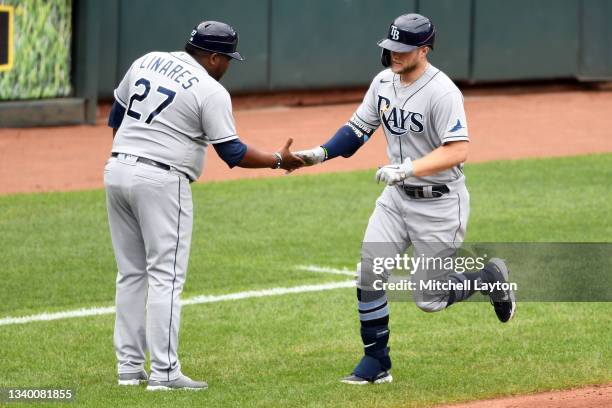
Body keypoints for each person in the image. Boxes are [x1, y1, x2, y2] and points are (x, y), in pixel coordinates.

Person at [294, 13, 516, 384]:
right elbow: (357, 129)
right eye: (391, 47)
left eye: (403, 49)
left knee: (428, 300)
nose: (394, 54)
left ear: (424, 49)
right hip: (396, 199)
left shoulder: (442, 92)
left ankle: (489, 277)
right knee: (369, 271)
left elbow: (458, 150)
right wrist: (320, 153)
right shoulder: (382, 83)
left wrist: (408, 168)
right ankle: (376, 362)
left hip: (440, 203)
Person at [104, 20, 304, 391]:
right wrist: (279, 160)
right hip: (162, 181)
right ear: (212, 57)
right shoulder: (209, 90)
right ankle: (164, 374)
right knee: (166, 276)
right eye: (227, 59)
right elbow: (232, 152)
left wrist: (132, 154)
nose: (228, 66)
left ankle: (129, 369)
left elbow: (115, 118)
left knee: (131, 274)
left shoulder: (147, 60)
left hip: (116, 171)